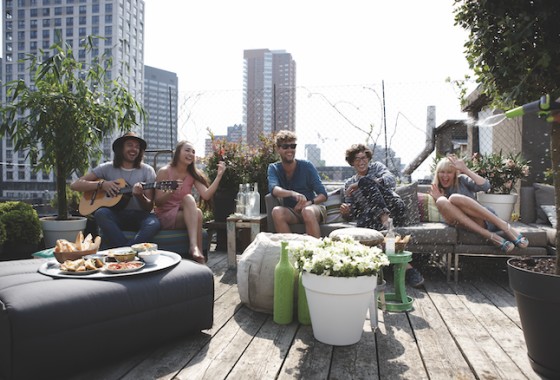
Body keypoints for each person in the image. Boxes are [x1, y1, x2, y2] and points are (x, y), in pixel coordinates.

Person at [340, 143, 424, 288]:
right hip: (371, 217)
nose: (361, 161)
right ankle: (408, 269)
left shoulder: (377, 168)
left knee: (365, 181)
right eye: (357, 159)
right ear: (352, 162)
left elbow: (391, 180)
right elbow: (352, 213)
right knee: (365, 225)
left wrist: (364, 183)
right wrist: (347, 211)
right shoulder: (348, 183)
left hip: (394, 208)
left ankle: (386, 221)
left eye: (364, 157)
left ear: (368, 158)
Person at [70, 132, 161, 248]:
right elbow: (75, 185)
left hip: (140, 216)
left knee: (154, 223)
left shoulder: (147, 170)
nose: (134, 149)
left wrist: (139, 196)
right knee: (101, 213)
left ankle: (124, 250)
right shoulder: (106, 168)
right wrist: (101, 185)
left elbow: (148, 207)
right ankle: (129, 251)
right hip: (116, 215)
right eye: (130, 145)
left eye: (137, 147)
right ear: (120, 148)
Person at [431, 154, 529, 252]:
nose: (445, 176)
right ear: (437, 173)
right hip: (465, 225)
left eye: (449, 172)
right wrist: (439, 198)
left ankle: (504, 226)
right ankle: (489, 236)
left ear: (454, 174)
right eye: (442, 172)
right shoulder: (436, 190)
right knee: (441, 201)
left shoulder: (461, 180)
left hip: (484, 219)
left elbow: (485, 186)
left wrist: (465, 169)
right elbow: (446, 219)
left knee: (454, 198)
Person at [154, 140, 226, 264]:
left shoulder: (192, 174)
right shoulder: (164, 171)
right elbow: (158, 202)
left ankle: (195, 250)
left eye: (193, 152)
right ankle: (197, 254)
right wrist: (171, 191)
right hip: (165, 215)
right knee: (197, 213)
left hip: (183, 214)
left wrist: (219, 176)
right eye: (187, 150)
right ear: (177, 153)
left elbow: (206, 195)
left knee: (190, 202)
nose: (190, 154)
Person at [267, 130, 327, 238]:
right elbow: (274, 189)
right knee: (277, 212)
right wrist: (292, 194)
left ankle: (316, 251)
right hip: (293, 211)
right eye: (285, 147)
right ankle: (291, 251)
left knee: (307, 211)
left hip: (312, 208)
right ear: (278, 149)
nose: (290, 150)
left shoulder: (307, 166)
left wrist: (309, 203)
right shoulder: (274, 168)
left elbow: (323, 194)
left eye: (293, 146)